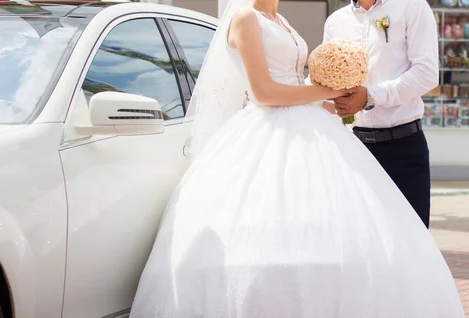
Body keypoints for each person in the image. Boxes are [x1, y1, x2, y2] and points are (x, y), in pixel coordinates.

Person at [130, 0, 464, 316]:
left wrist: (355, 97)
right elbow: (270, 91)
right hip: (310, 133)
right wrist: (328, 95)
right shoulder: (267, 19)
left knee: (391, 240)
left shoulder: (286, 21)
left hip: (390, 139)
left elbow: (423, 74)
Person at [325, 0, 438, 229]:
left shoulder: (412, 7)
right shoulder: (336, 21)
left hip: (403, 148)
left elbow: (426, 73)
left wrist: (371, 96)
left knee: (410, 241)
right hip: (354, 150)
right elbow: (328, 81)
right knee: (361, 243)